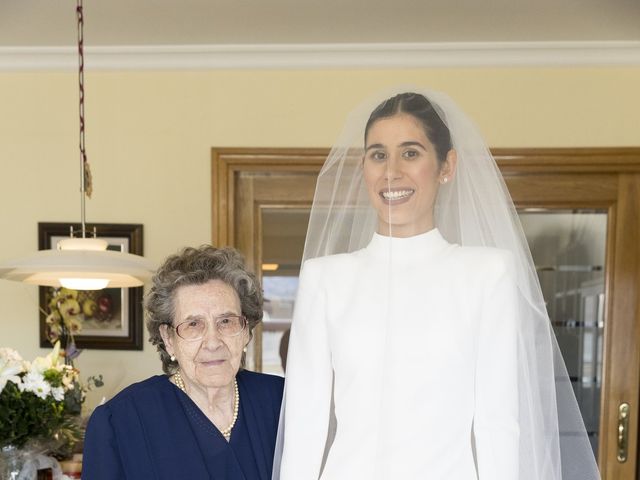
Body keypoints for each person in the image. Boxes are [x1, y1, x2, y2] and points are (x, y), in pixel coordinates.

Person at [275, 90, 600, 479]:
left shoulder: (487, 273)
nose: (391, 171)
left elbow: (498, 423)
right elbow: (305, 424)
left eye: (410, 153)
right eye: (378, 154)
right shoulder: (324, 279)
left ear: (447, 166)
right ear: (364, 166)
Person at [83, 246, 284, 480]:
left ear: (246, 331)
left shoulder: (282, 403)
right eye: (193, 325)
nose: (212, 342)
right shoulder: (120, 422)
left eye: (226, 321)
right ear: (169, 339)